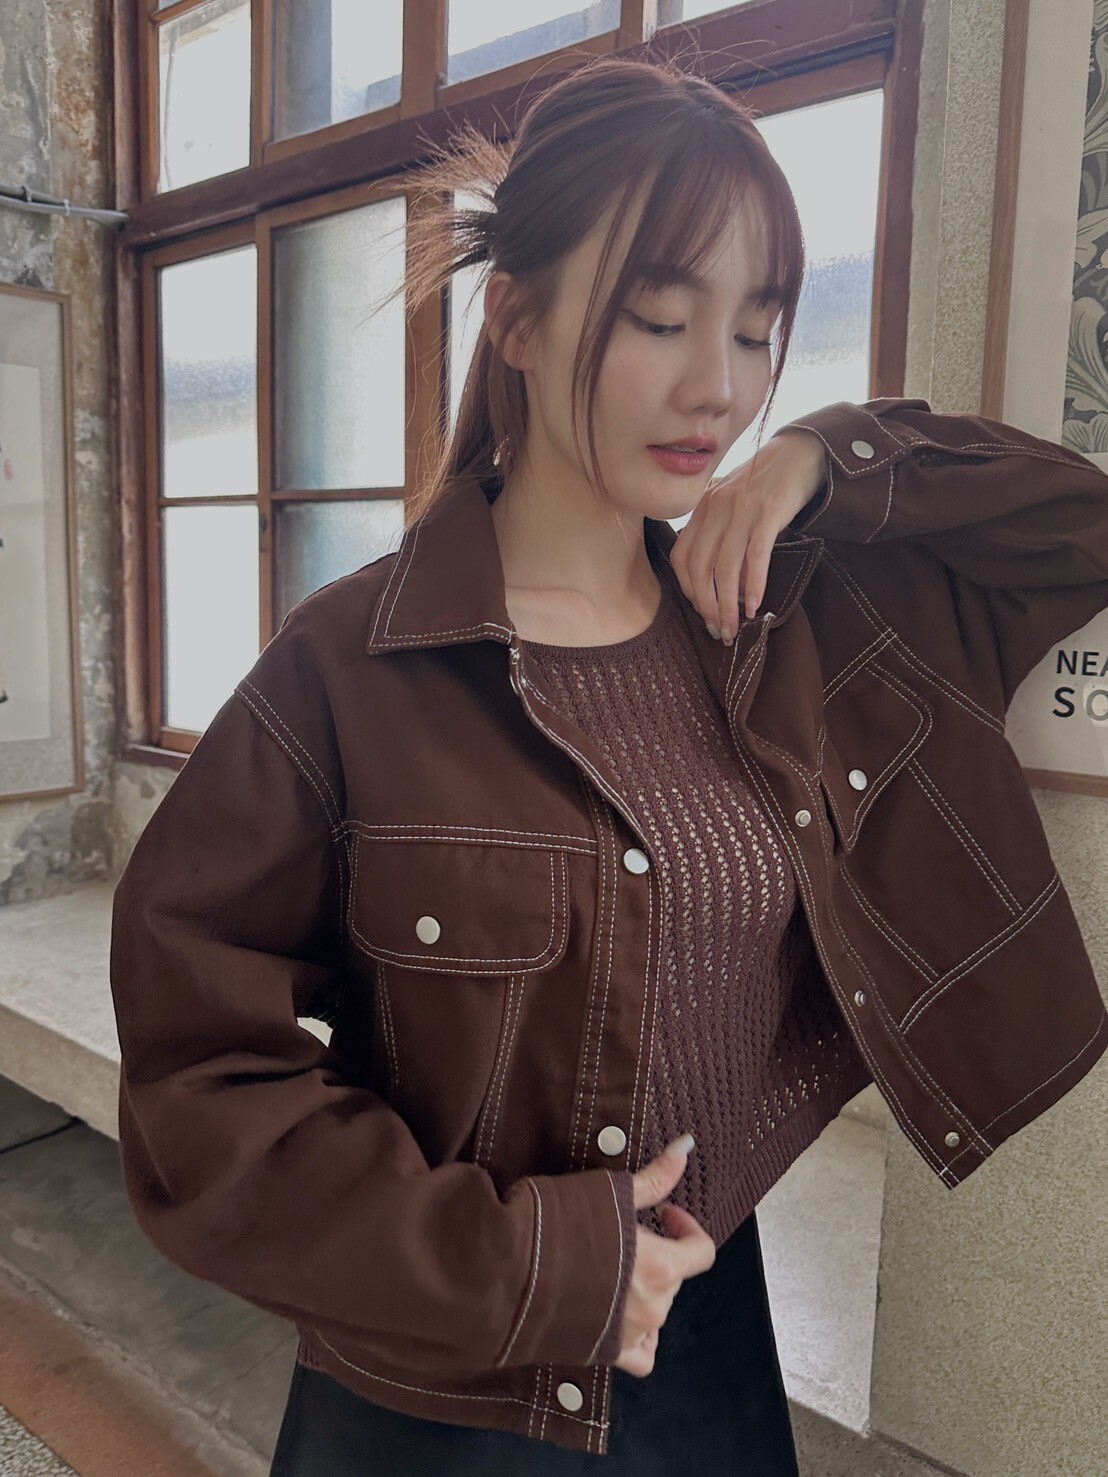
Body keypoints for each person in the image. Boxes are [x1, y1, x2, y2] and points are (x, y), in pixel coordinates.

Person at [108, 52, 1108, 1476]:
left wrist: (824, 453)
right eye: (659, 319)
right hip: (441, 1391)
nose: (718, 387)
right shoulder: (349, 669)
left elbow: (1076, 526)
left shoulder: (777, 628)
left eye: (757, 331)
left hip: (705, 1353)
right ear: (515, 318)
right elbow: (194, 1089)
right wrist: (539, 1265)